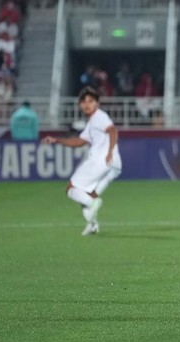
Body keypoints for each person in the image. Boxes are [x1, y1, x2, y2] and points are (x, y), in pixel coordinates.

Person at [42, 87, 122, 236]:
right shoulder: (92, 122)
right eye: (84, 102)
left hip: (101, 160)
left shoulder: (99, 116)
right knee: (86, 194)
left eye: (91, 101)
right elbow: (79, 141)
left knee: (71, 188)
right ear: (79, 105)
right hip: (114, 165)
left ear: (97, 103)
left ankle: (93, 205)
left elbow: (112, 130)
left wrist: (110, 150)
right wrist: (56, 139)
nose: (87, 104)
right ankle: (92, 225)